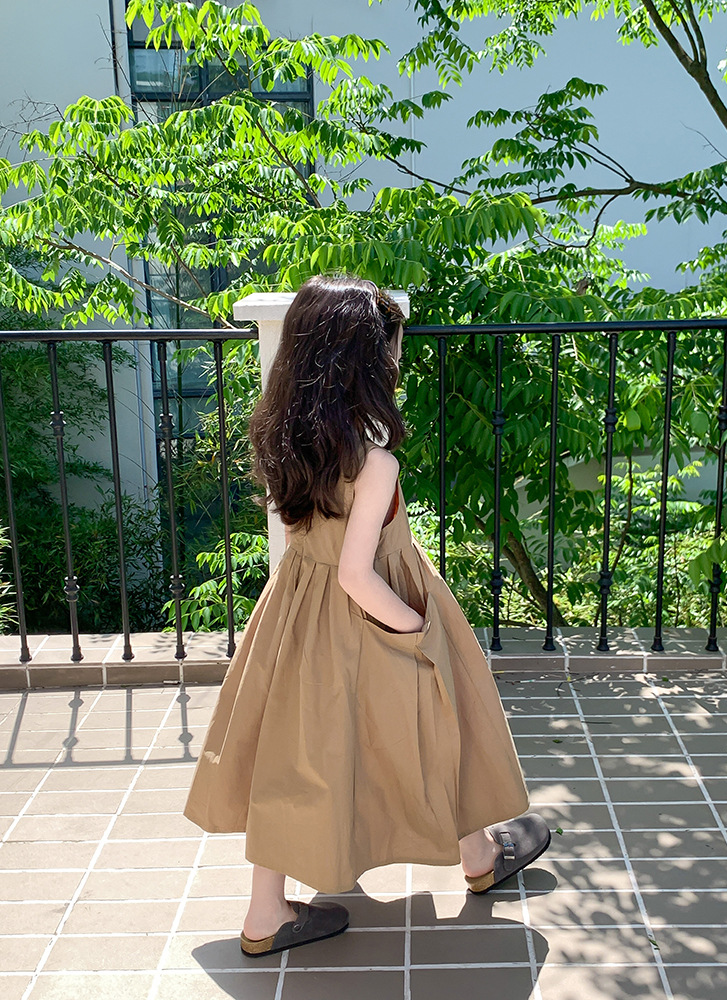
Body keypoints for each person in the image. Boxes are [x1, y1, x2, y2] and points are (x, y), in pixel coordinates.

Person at [183, 275, 550, 957]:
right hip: (371, 612)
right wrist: (416, 629)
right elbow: (357, 573)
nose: (397, 358)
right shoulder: (373, 461)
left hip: (299, 612)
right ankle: (478, 856)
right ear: (363, 359)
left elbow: (317, 550)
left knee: (296, 753)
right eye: (391, 347)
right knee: (440, 721)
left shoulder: (285, 437)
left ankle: (266, 912)